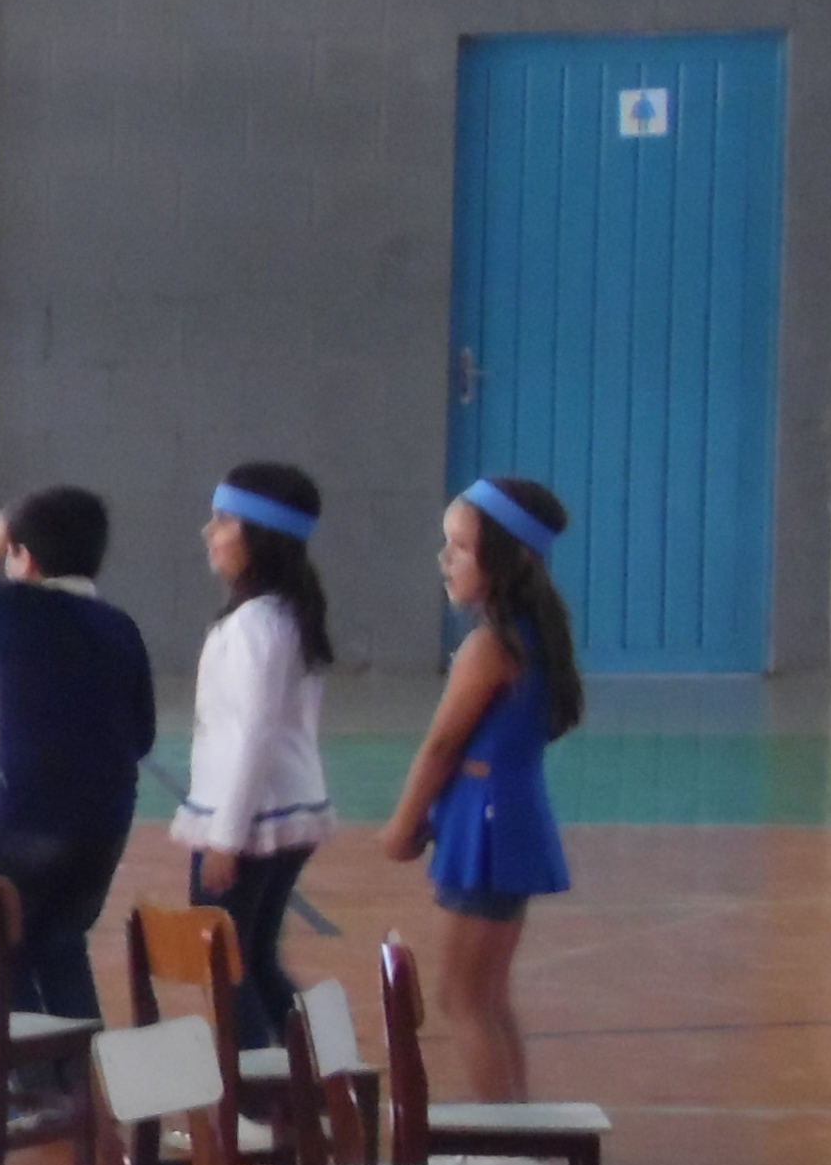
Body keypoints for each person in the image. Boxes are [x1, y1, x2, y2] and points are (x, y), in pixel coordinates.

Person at [0, 487, 157, 1026]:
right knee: (62, 945)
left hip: (34, 817)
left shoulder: (17, 607)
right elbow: (140, 735)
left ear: (23, 556)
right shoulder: (120, 627)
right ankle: (79, 1069)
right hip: (107, 822)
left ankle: (31, 1068)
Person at [381, 477, 583, 1102]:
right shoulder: (531, 635)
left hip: (486, 827)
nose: (446, 559)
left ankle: (502, 1139)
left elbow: (441, 746)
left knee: (463, 999)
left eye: (462, 547)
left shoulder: (490, 645)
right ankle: (517, 1129)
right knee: (487, 997)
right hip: (507, 818)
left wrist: (402, 824)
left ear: (510, 556)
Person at [175, 465, 336, 1048]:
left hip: (251, 820)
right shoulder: (286, 616)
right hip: (284, 809)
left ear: (260, 537)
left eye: (223, 521)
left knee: (224, 963)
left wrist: (226, 837)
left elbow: (254, 734)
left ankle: (250, 1087)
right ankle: (313, 1071)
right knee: (255, 958)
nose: (209, 532)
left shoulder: (256, 625)